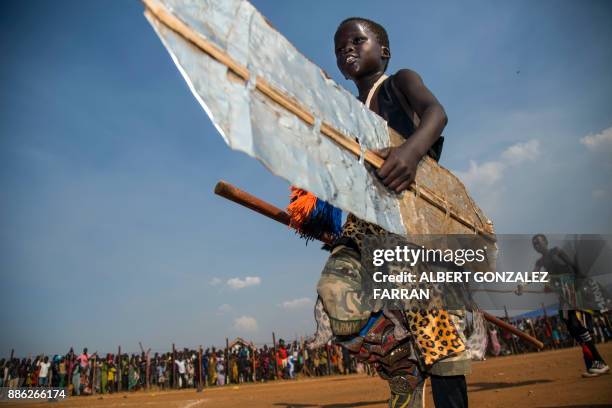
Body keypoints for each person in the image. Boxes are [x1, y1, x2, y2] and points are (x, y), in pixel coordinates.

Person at [313, 17, 471, 408]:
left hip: (412, 221)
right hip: (364, 228)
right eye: (338, 47)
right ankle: (401, 365)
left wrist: (411, 152)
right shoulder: (347, 112)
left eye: (357, 40)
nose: (346, 49)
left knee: (438, 339)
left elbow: (436, 112)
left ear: (383, 50)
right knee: (335, 296)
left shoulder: (399, 81)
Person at [532, 234, 609, 377]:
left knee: (574, 325)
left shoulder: (557, 251)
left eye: (538, 242)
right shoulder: (540, 261)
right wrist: (521, 285)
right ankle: (593, 362)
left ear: (546, 242)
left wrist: (577, 284)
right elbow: (533, 275)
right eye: (534, 244)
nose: (537, 245)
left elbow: (573, 267)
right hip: (563, 294)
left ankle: (599, 362)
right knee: (571, 325)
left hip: (571, 291)